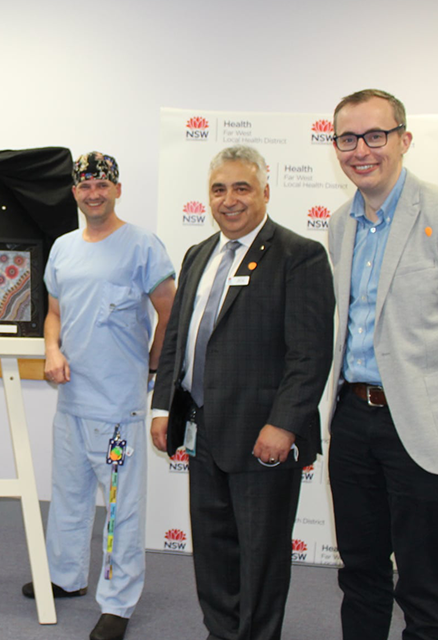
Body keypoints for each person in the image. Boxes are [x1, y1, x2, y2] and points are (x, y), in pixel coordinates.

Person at [150, 145, 334, 640]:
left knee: (261, 555)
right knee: (212, 548)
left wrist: (284, 424)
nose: (229, 200)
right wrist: (165, 405)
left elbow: (310, 354)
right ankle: (221, 632)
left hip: (264, 437)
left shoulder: (300, 256)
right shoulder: (197, 254)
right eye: (218, 189)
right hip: (203, 427)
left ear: (266, 192)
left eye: (241, 188)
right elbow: (178, 340)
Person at [21, 152, 176, 640]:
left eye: (102, 186)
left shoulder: (142, 246)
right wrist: (51, 349)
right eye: (85, 187)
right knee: (67, 494)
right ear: (75, 193)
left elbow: (169, 314)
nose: (94, 194)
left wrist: (152, 367)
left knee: (120, 506)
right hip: (71, 399)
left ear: (117, 189)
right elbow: (54, 314)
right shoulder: (64, 248)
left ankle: (118, 601)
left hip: (117, 409)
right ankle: (65, 577)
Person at [327, 89, 438, 640]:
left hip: (417, 423)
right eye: (348, 138)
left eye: (375, 135)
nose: (361, 150)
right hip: (351, 417)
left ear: (404, 139)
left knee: (424, 581)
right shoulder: (341, 226)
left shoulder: (435, 212)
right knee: (361, 571)